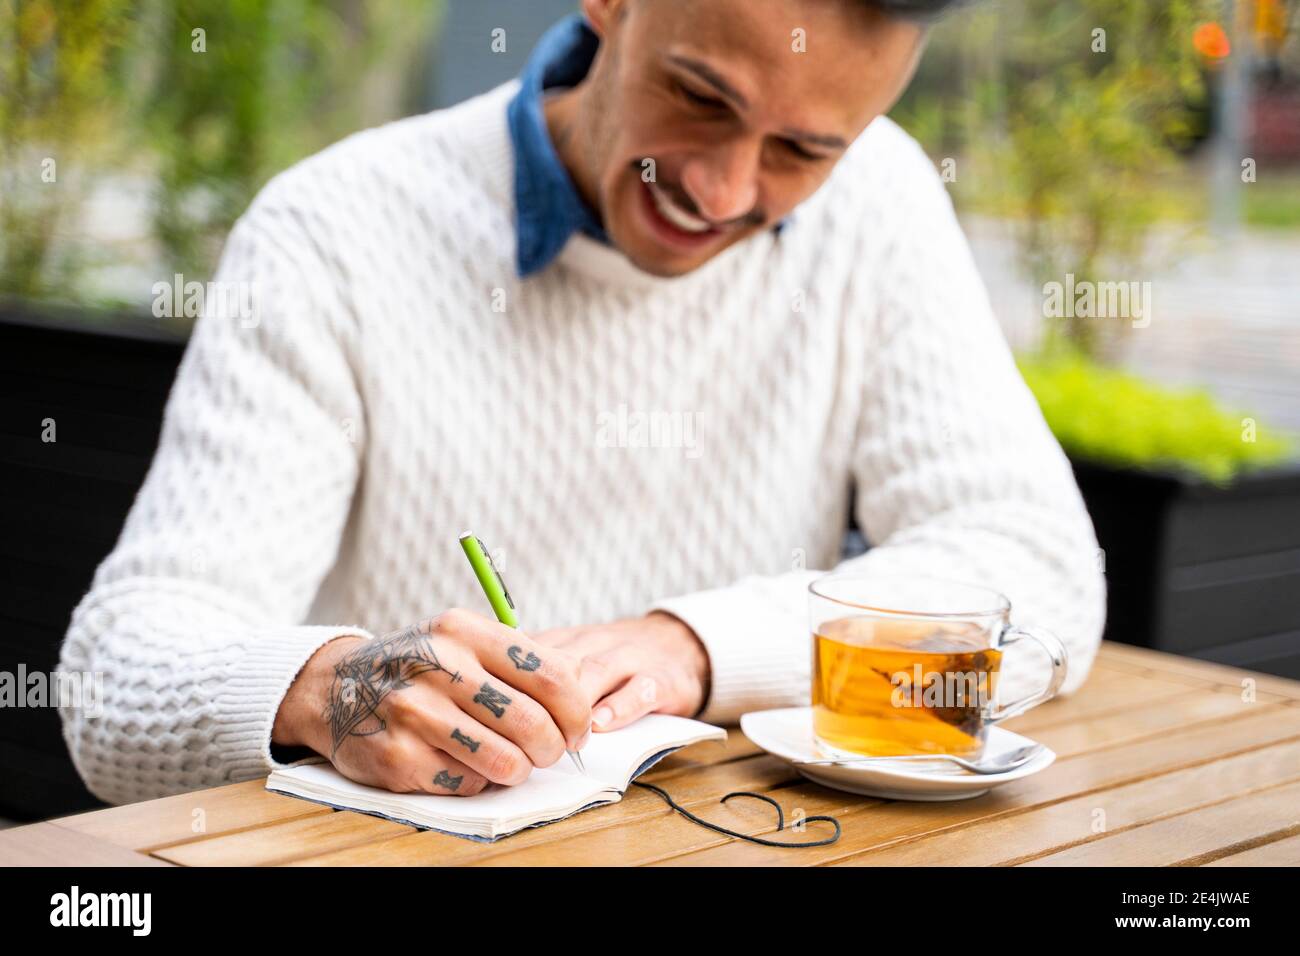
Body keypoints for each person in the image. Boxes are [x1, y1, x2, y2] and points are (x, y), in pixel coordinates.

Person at [58, 0, 1105, 805]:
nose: (724, 190)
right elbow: (116, 676)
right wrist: (330, 688)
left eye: (801, 152)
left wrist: (691, 648)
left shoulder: (879, 202)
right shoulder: (332, 231)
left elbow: (1037, 566)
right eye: (701, 97)